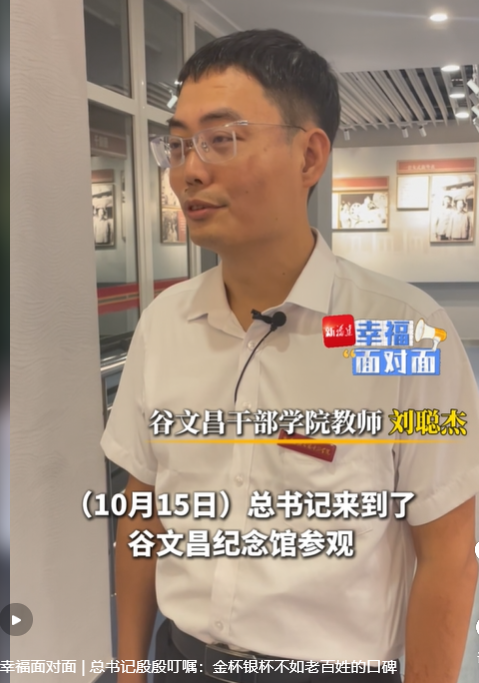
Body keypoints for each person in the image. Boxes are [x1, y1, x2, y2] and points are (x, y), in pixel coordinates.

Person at [101, 29, 479, 683]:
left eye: (222, 139)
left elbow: (446, 552)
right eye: (179, 144)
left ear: (309, 156)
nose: (189, 170)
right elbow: (143, 507)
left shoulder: (401, 333)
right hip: (183, 658)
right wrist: (130, 670)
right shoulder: (164, 325)